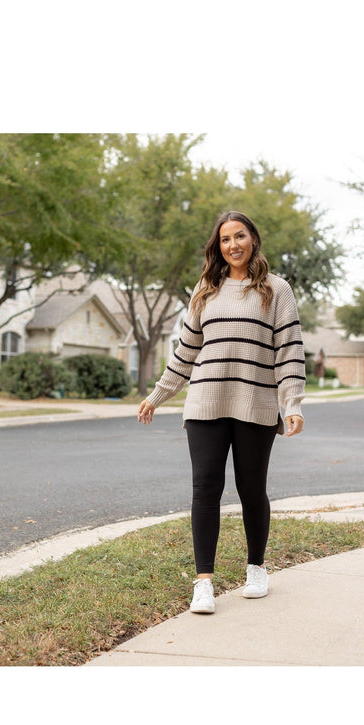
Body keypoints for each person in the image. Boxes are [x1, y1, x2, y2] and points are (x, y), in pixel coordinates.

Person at [137, 210, 306, 614]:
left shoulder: (276, 290)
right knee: (205, 489)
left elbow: (289, 351)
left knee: (252, 490)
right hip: (205, 403)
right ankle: (203, 583)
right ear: (218, 246)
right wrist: (157, 396)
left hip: (256, 404)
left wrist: (293, 403)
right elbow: (186, 352)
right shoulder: (205, 290)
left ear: (253, 240)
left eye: (240, 236)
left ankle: (256, 569)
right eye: (225, 239)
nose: (234, 245)